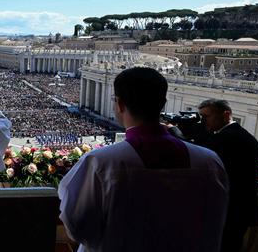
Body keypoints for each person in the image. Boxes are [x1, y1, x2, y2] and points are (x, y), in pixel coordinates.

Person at [58, 67, 229, 252]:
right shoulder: (210, 162)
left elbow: (76, 227)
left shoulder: (101, 163)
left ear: (120, 104)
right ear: (163, 103)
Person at [198, 99, 258, 252]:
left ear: (226, 114)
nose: (202, 121)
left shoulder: (226, 138)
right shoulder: (245, 136)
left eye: (206, 116)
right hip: (242, 210)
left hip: (230, 211)